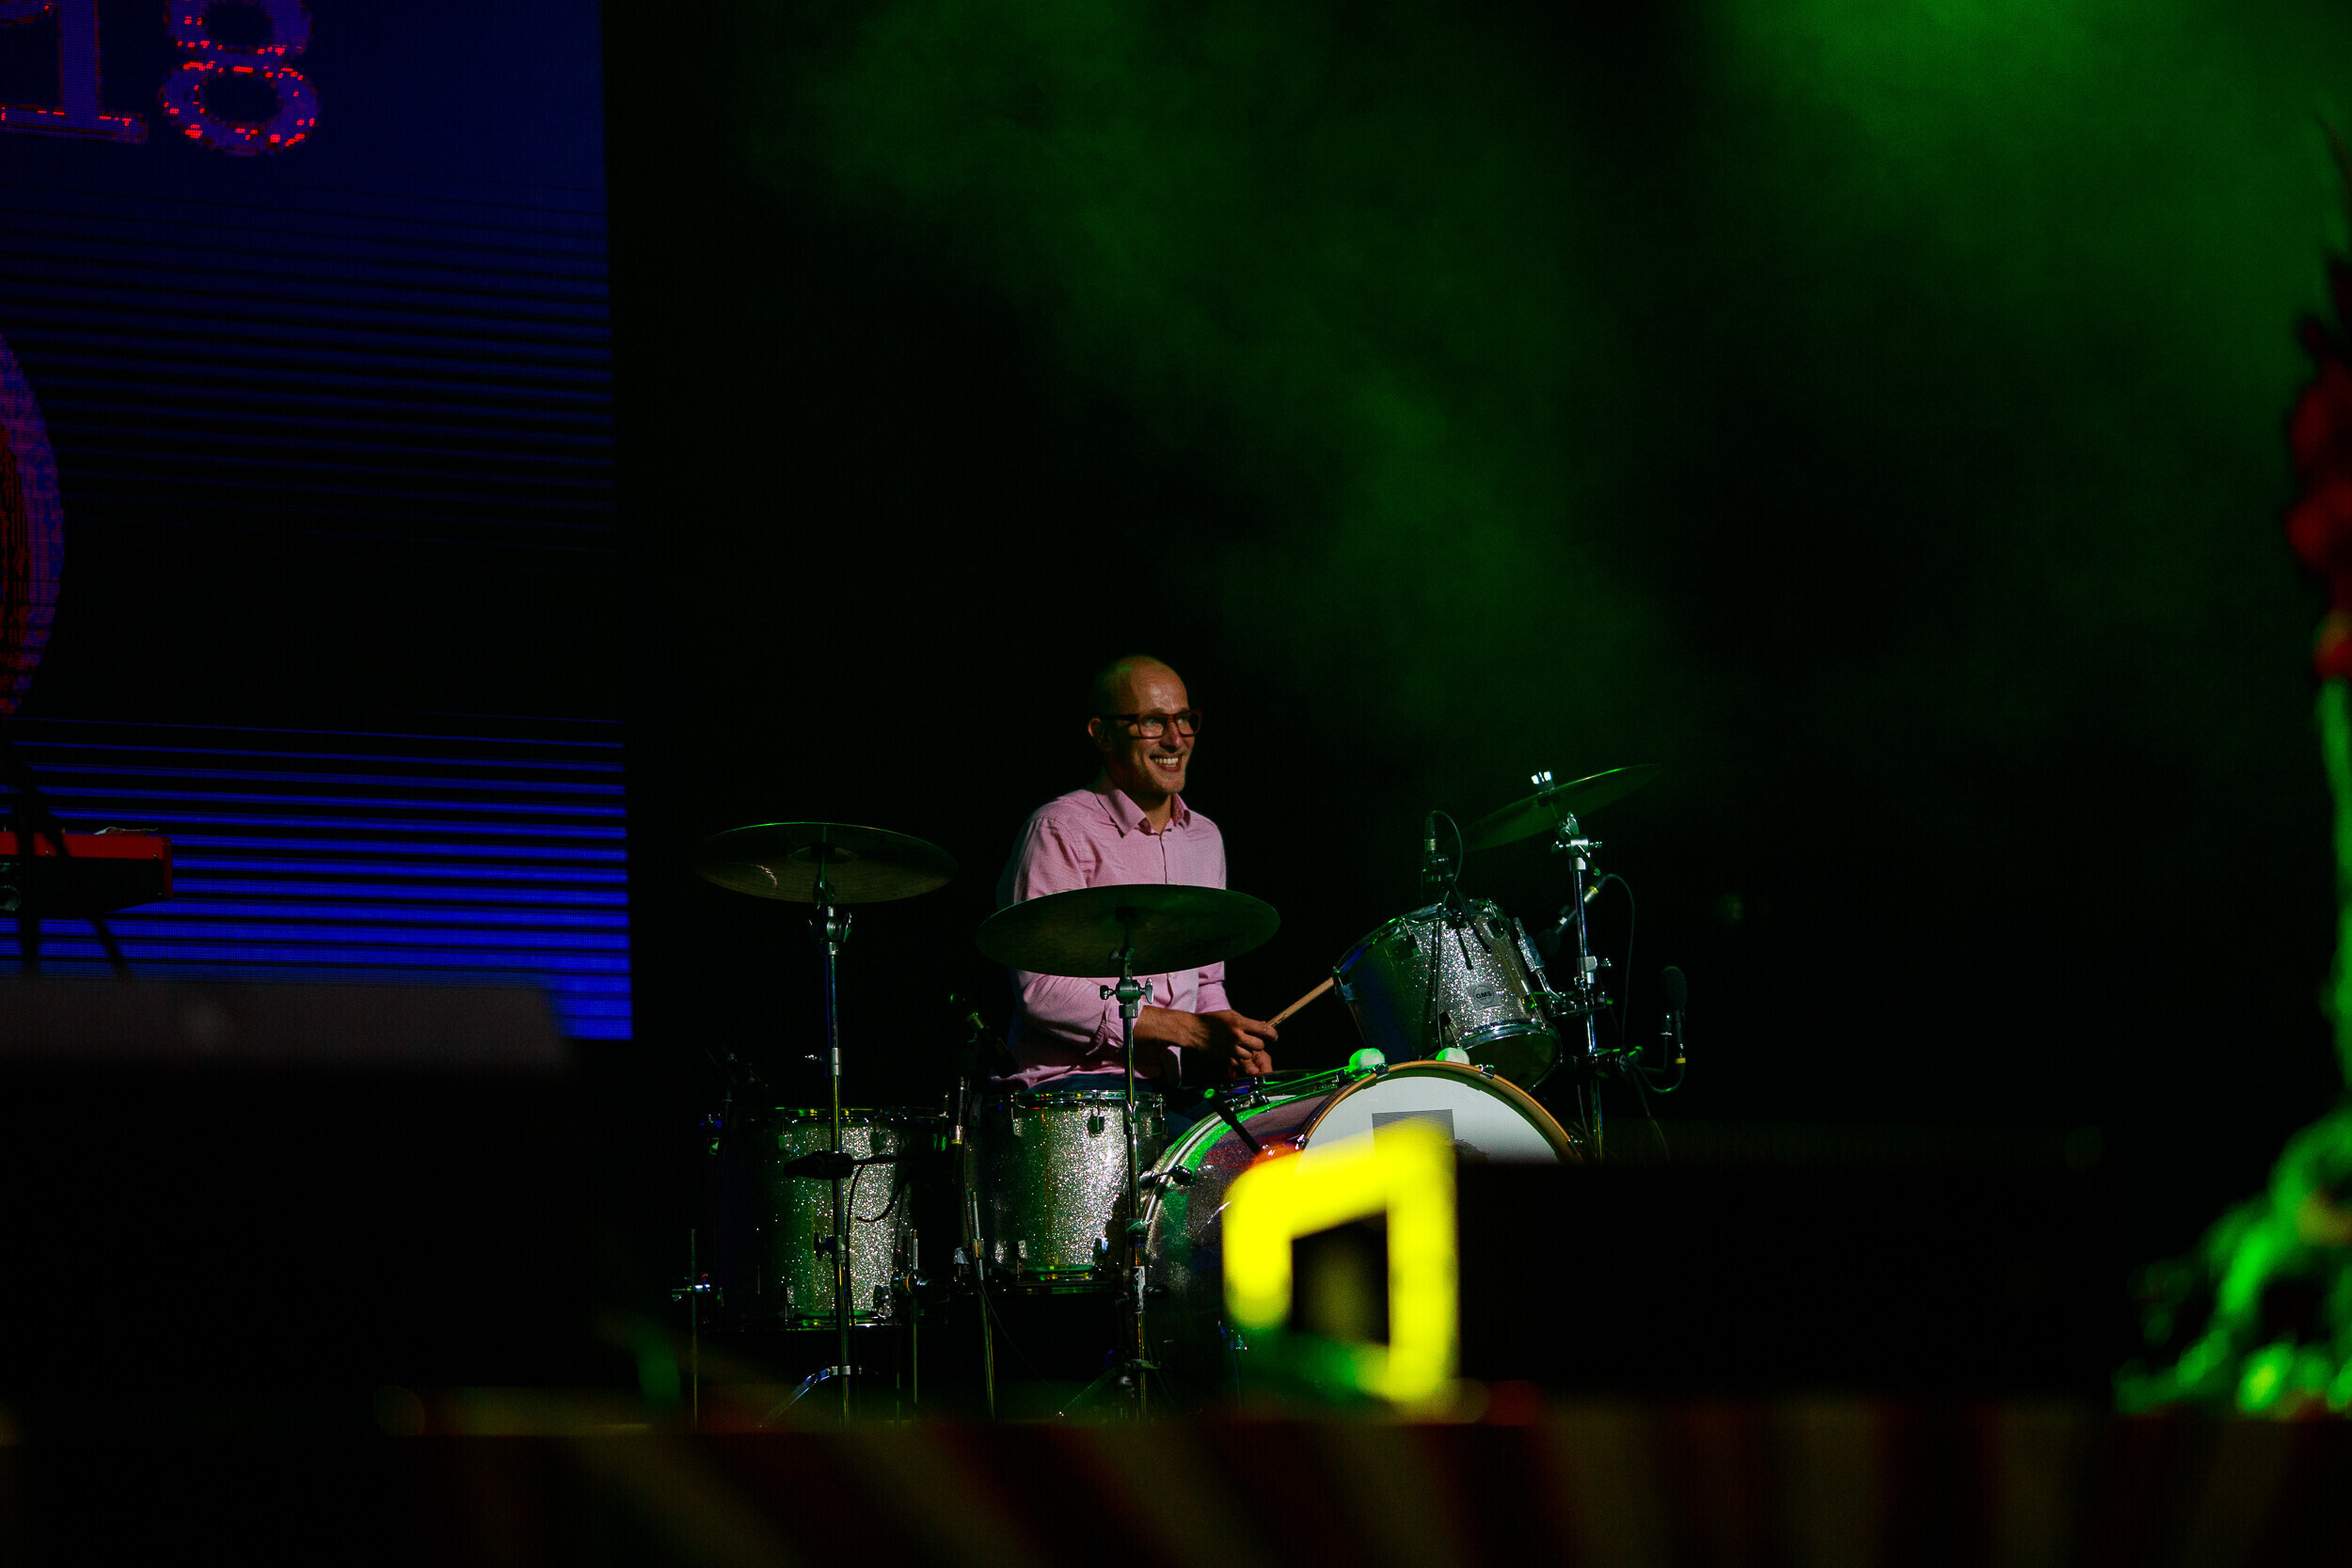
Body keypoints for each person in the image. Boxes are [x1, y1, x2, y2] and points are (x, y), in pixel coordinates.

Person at [994, 655, 1279, 1088]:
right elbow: (1043, 992)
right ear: (1102, 734)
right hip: (1071, 1087)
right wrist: (1188, 1030)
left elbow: (1205, 979)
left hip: (1163, 1089)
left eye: (1184, 719)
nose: (1176, 739)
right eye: (1153, 721)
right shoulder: (1059, 828)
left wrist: (1233, 1041)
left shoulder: (1204, 837)